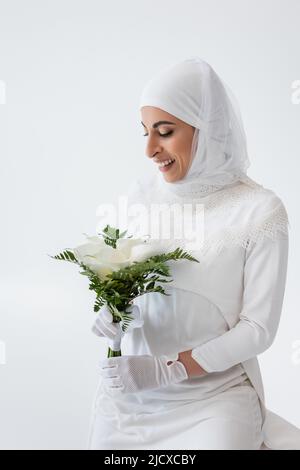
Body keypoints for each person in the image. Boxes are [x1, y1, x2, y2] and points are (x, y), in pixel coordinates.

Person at [87, 57, 300, 450]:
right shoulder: (141, 196)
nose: (151, 149)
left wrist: (169, 369)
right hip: (131, 401)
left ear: (208, 130)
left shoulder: (259, 210)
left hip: (215, 399)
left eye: (165, 132)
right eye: (145, 132)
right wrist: (111, 313)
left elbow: (257, 330)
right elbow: (120, 279)